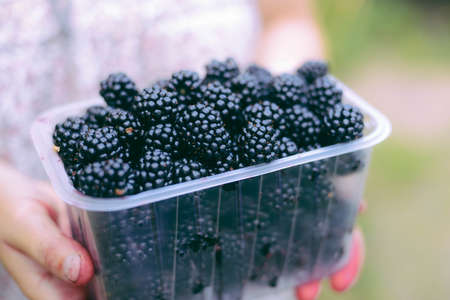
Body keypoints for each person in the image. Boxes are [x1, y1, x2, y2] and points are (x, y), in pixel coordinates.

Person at [0, 0, 364, 299]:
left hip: (245, 246)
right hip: (64, 225)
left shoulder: (228, 121)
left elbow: (289, 20)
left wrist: (310, 173)